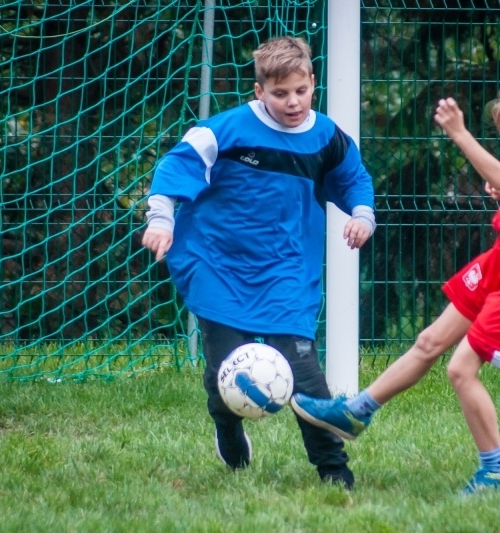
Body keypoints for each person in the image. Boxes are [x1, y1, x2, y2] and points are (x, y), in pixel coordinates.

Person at [291, 70, 500, 494]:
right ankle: (355, 412)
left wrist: (460, 133)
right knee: (429, 341)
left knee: (461, 370)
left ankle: (498, 468)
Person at [141, 36, 376, 490]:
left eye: (301, 91)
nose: (292, 102)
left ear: (313, 82)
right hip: (217, 265)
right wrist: (162, 220)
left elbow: (353, 177)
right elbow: (173, 170)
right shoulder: (222, 132)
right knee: (223, 369)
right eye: (280, 93)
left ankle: (333, 469)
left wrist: (362, 215)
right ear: (259, 92)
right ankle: (227, 428)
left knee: (306, 374)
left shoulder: (326, 135)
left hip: (285, 269)